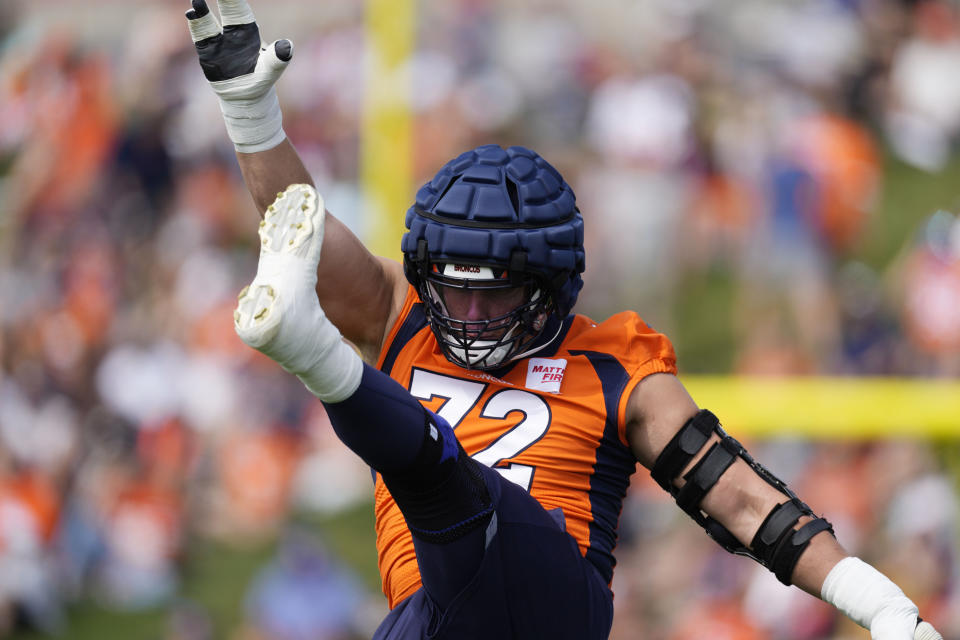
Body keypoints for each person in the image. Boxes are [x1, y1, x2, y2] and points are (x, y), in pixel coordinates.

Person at [184, 2, 945, 638]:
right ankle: (320, 359)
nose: (472, 313)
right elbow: (297, 233)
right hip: (435, 619)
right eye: (455, 292)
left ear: (550, 288)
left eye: (498, 294)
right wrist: (252, 116)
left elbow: (742, 500)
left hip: (550, 610)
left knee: (447, 477)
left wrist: (875, 603)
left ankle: (316, 358)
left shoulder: (619, 371)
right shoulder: (403, 315)